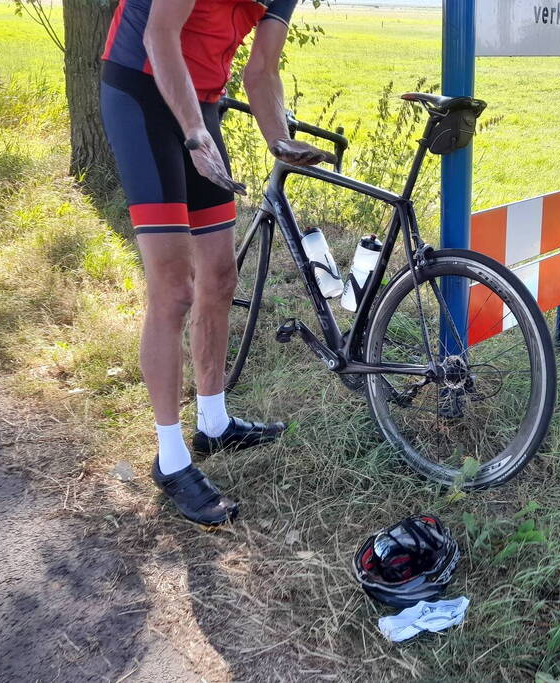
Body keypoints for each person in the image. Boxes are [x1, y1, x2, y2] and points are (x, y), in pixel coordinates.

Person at [99, 0, 333, 527]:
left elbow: (262, 68)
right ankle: (170, 457)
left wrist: (279, 141)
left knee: (221, 276)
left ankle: (214, 421)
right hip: (140, 92)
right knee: (174, 289)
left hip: (202, 100)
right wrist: (194, 134)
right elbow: (161, 36)